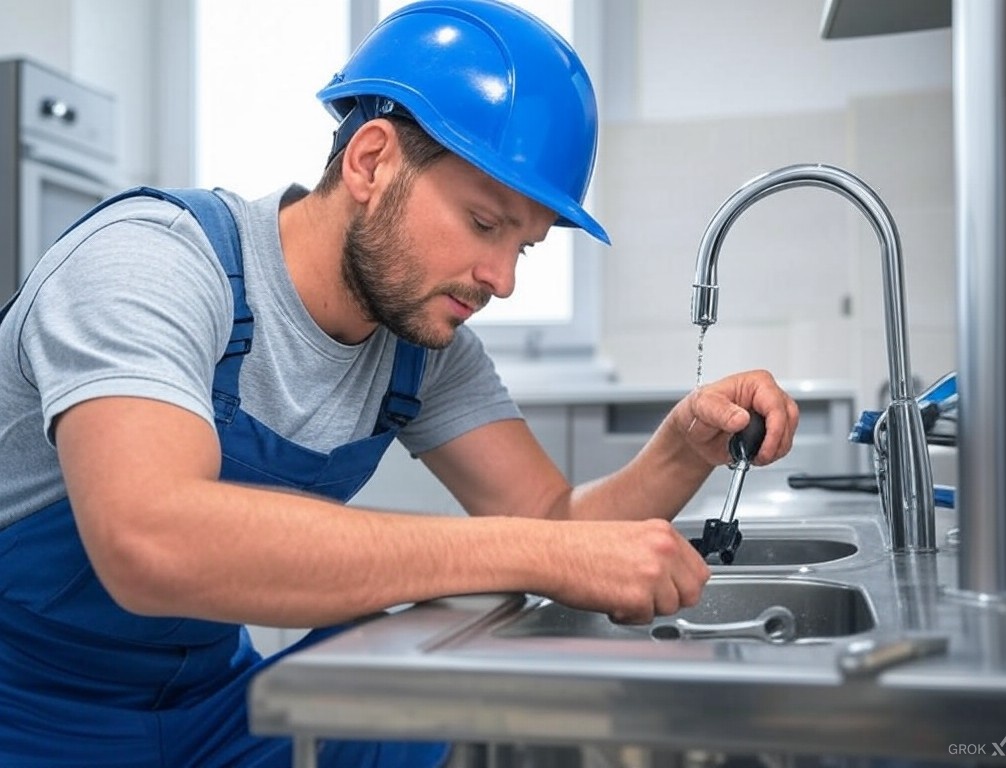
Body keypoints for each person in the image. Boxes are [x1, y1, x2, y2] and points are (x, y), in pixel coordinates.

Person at [0, 0, 799, 765]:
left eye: (524, 246)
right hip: (24, 715)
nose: (501, 280)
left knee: (394, 713)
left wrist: (683, 449)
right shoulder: (153, 262)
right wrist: (532, 553)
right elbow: (151, 539)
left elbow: (555, 522)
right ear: (371, 161)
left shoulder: (421, 343)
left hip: (208, 706)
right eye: (486, 224)